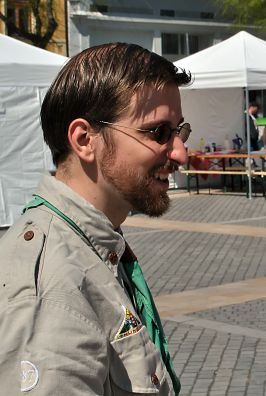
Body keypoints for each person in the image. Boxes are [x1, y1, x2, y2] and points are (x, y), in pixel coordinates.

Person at [0, 43, 191, 394]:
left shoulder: (93, 244)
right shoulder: (51, 285)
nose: (180, 151)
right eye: (159, 133)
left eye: (180, 131)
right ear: (85, 139)